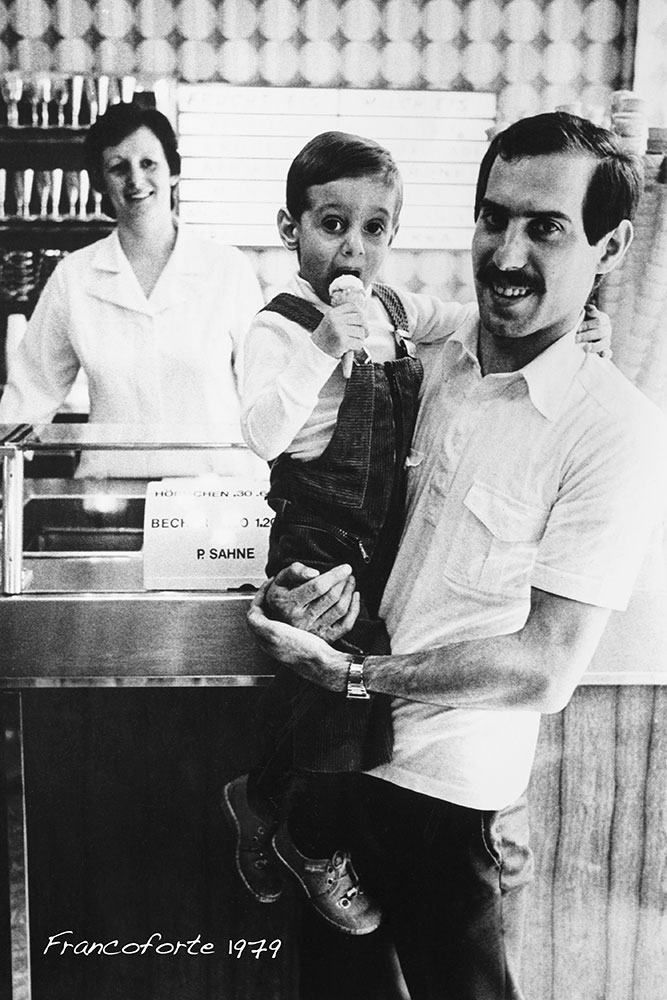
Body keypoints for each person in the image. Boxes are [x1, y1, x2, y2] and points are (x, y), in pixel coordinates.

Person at [245, 113, 667, 1000]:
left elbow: (544, 668)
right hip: (339, 773)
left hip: (446, 791)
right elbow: (336, 488)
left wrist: (354, 678)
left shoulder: (614, 430)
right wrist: (306, 591)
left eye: (545, 227)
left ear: (611, 244)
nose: (506, 254)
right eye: (493, 217)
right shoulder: (427, 354)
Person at [0, 101, 264, 478]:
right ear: (100, 182)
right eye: (118, 167)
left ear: (173, 171)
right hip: (111, 497)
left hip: (214, 501)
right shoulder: (74, 277)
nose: (135, 181)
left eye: (148, 164)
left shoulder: (226, 268)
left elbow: (264, 395)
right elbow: (30, 393)